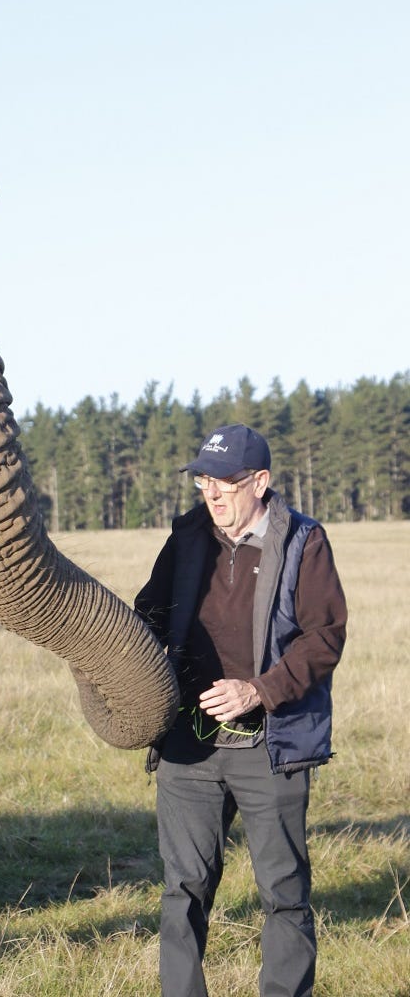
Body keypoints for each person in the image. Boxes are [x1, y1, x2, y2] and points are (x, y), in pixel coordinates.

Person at [134, 423, 347, 997]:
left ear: (260, 481)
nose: (213, 493)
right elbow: (148, 610)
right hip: (189, 747)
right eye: (204, 479)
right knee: (184, 888)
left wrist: (257, 690)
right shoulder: (187, 537)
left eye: (226, 481)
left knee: (282, 891)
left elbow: (323, 638)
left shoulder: (304, 541)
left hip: (269, 745)